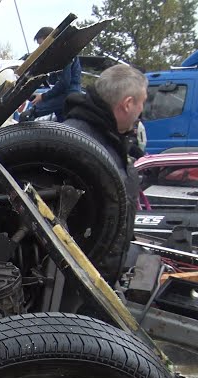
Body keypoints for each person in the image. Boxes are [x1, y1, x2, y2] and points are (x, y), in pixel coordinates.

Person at [62, 63, 148, 279]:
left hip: (97, 279)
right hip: (77, 282)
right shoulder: (78, 142)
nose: (142, 111)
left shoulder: (111, 140)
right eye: (142, 102)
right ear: (128, 104)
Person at [24, 26, 83, 122]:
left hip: (68, 95)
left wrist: (43, 96)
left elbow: (64, 83)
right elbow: (53, 81)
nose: (40, 48)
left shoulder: (65, 54)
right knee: (61, 124)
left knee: (28, 115)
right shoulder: (55, 57)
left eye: (41, 44)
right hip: (64, 95)